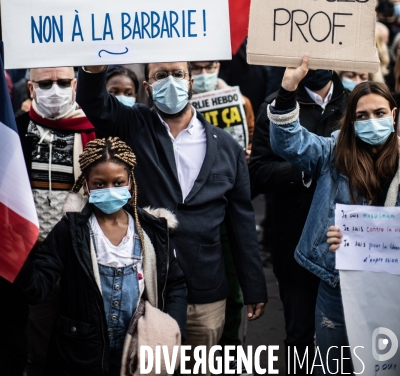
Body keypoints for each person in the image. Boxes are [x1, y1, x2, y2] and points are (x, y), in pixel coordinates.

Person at [77, 61, 267, 374]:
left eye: (178, 74)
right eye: (161, 75)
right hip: (149, 288)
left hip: (207, 290)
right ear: (148, 87)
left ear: (190, 81)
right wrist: (94, 70)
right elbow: (94, 103)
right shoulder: (135, 124)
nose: (171, 82)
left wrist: (254, 286)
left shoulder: (227, 146)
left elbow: (241, 221)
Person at [267, 57, 400, 375]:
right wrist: (288, 90)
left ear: (393, 115)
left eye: (379, 113)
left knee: (383, 366)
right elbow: (289, 142)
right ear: (351, 122)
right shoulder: (332, 151)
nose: (372, 121)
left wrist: (373, 238)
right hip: (337, 285)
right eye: (362, 116)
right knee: (335, 367)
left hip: (390, 288)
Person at [17, 137, 187, 376]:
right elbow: (38, 288)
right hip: (82, 355)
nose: (109, 190)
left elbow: (175, 283)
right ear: (86, 184)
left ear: (130, 182)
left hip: (140, 348)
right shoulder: (70, 231)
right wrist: (17, 255)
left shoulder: (152, 231)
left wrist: (172, 327)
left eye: (118, 182)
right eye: (100, 184)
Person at [250, 69, 348, 375]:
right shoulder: (277, 105)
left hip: (348, 247)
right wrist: (307, 171)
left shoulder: (354, 105)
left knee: (348, 338)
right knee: (300, 336)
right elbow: (259, 172)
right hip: (295, 241)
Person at [16, 66, 96, 376]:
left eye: (63, 82)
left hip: (82, 254)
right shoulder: (15, 131)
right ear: (31, 88)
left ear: (75, 84)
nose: (55, 90)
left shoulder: (94, 130)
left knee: (83, 346)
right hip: (33, 255)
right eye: (46, 83)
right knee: (38, 346)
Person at [191, 59, 255, 369]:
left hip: (226, 213)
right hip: (190, 219)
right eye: (196, 68)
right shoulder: (167, 108)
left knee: (234, 295)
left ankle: (231, 358)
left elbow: (253, 162)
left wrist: (246, 157)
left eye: (209, 66)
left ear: (219, 64)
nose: (203, 74)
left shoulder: (239, 102)